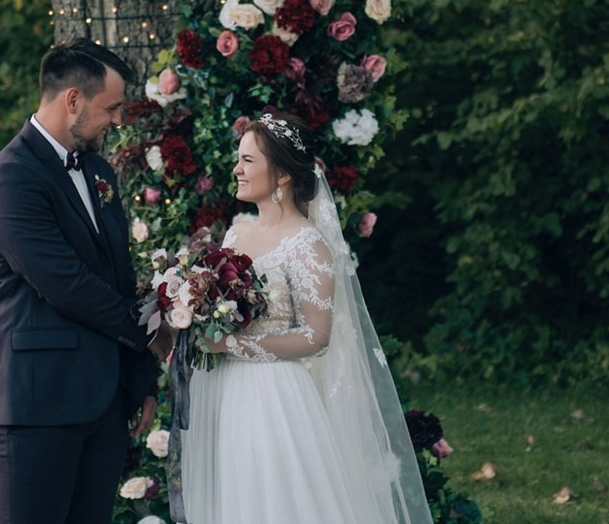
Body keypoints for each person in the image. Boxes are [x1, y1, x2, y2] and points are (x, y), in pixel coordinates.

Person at [178, 111, 433, 524]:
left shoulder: (307, 245)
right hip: (228, 391)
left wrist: (232, 344)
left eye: (247, 161)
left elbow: (317, 337)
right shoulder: (236, 234)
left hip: (276, 395)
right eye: (238, 158)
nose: (235, 169)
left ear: (281, 175)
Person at [0, 37, 171, 524]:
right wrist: (149, 335)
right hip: (35, 400)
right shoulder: (9, 178)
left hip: (101, 399)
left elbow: (119, 276)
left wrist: (140, 379)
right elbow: (66, 284)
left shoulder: (98, 171)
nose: (118, 121)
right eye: (112, 108)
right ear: (72, 99)